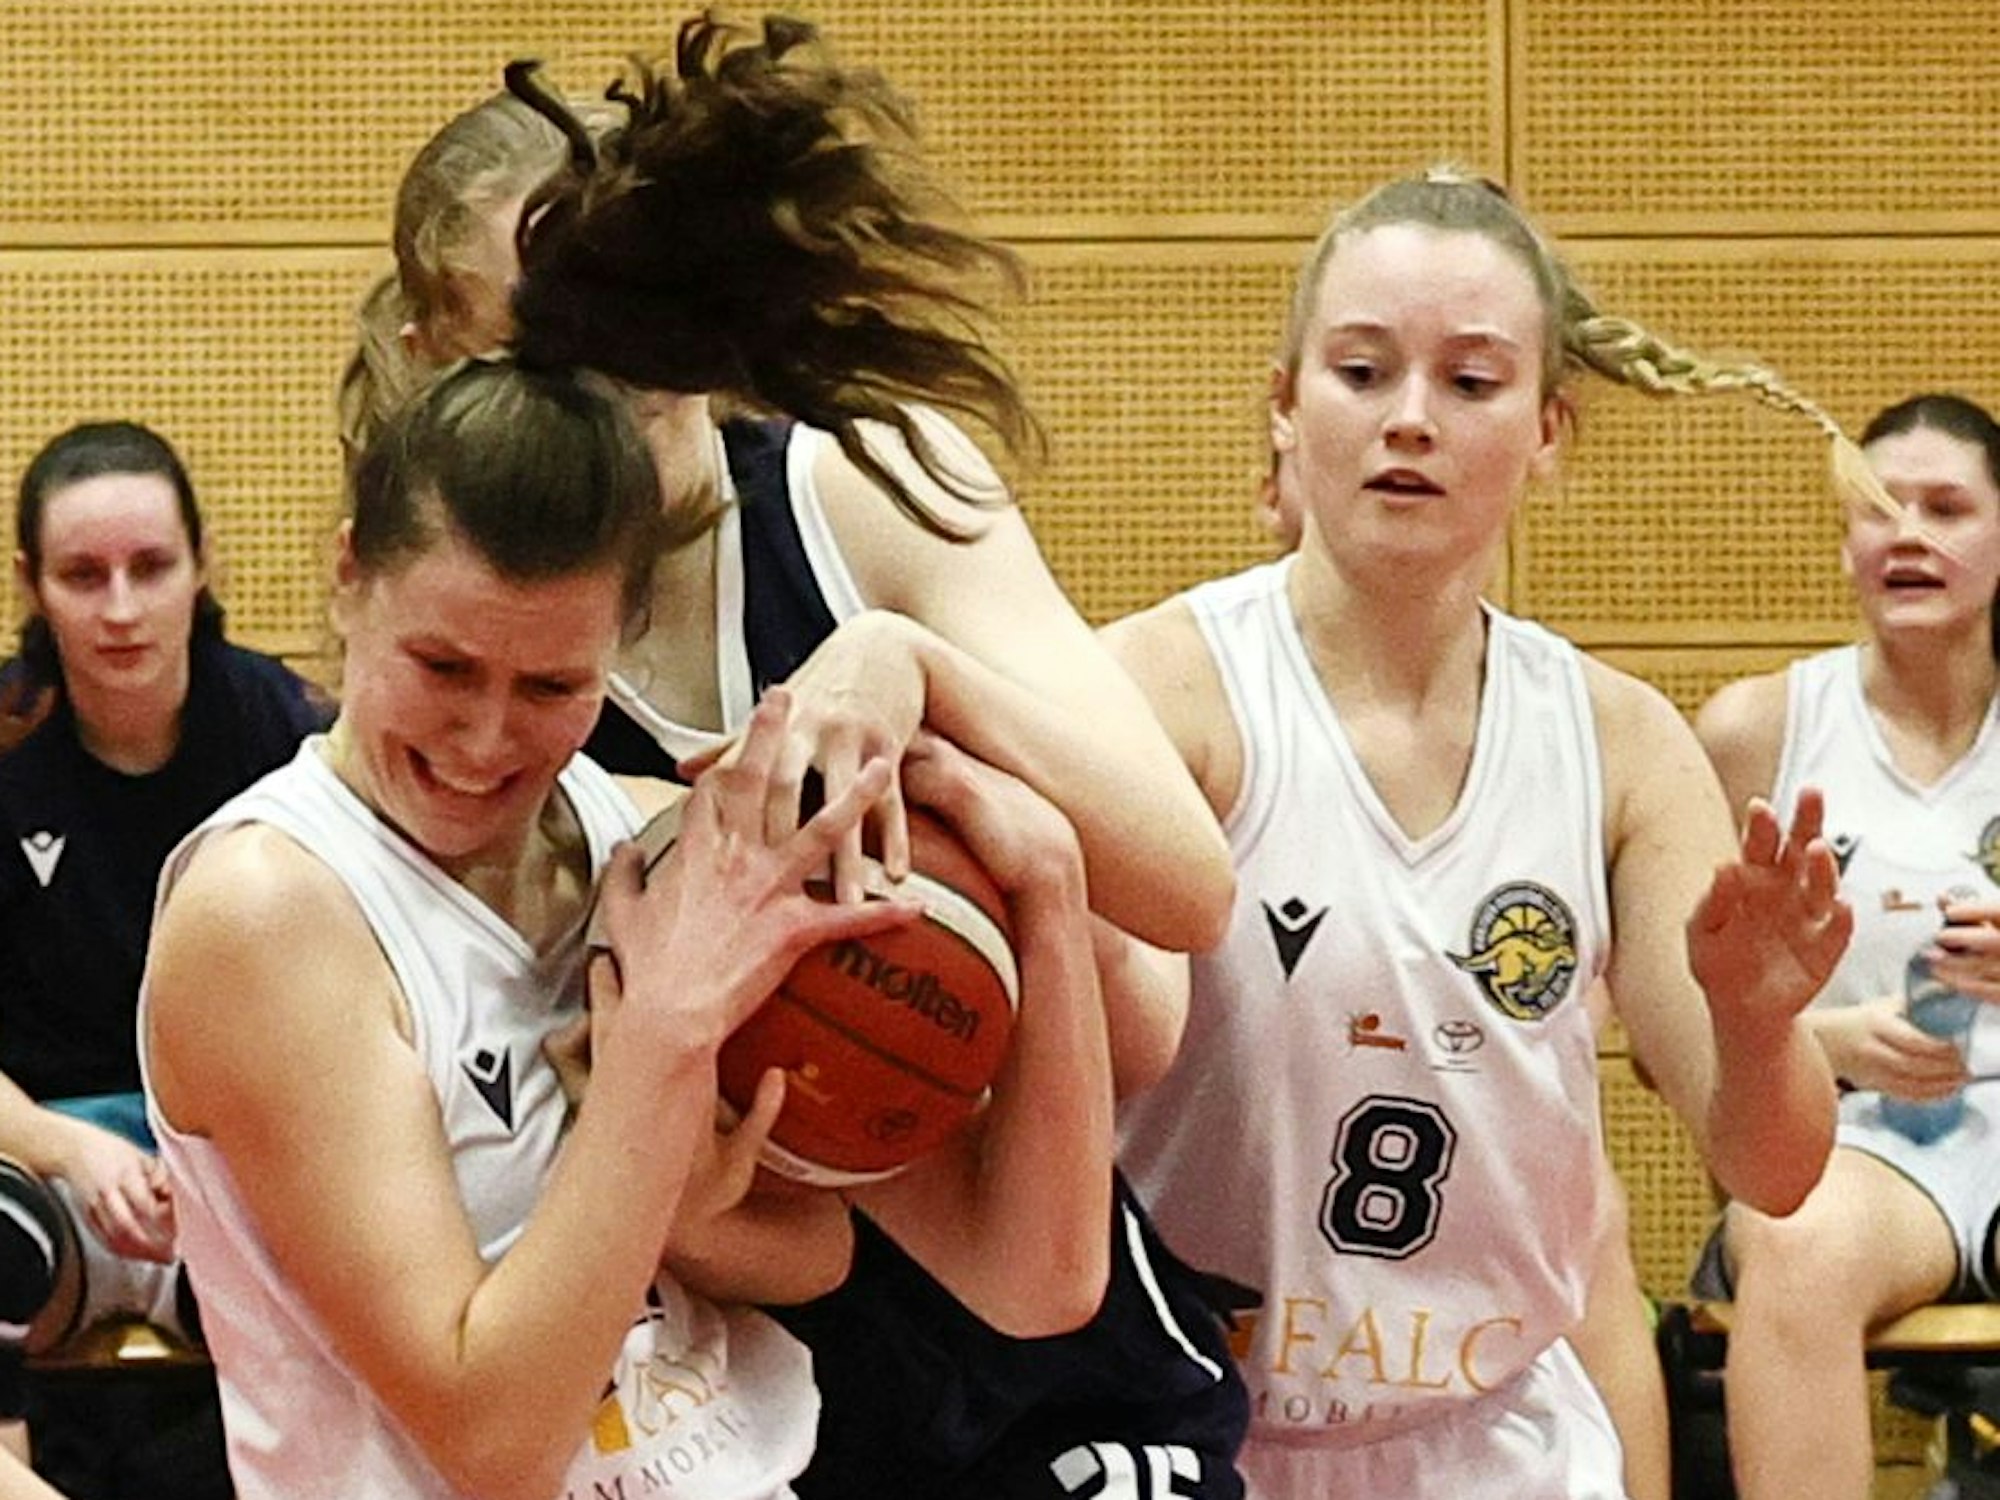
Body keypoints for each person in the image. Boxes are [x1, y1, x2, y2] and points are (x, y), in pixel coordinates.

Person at [1105, 168, 1854, 1498]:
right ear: (1283, 406)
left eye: (1470, 382)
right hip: (1194, 1433)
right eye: (1360, 370)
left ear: (1549, 432)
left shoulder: (1621, 746)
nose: (1409, 420)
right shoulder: (1161, 694)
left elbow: (1774, 1167)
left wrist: (1756, 1022)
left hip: (1497, 1445)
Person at [138, 357, 938, 1500]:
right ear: (350, 577)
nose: (481, 739)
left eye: (551, 687)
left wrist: (693, 1212)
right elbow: (490, 1437)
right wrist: (658, 1049)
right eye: (442, 665)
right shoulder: (271, 912)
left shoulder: (645, 833)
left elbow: (818, 1251)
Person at [0, 420, 326, 1497]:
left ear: (203, 564)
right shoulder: (6, 748)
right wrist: (61, 1148)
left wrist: (222, 1153)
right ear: (32, 585)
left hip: (238, 1164)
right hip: (43, 1176)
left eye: (151, 567)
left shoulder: (288, 734)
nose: (123, 608)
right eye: (84, 576)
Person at [1691, 392, 2000, 1500]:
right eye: (1877, 510)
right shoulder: (1755, 730)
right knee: (1789, 1241)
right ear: (1844, 545)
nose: (1906, 534)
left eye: (1944, 507)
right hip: (1869, 1148)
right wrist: (1819, 1039)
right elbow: (1669, 1027)